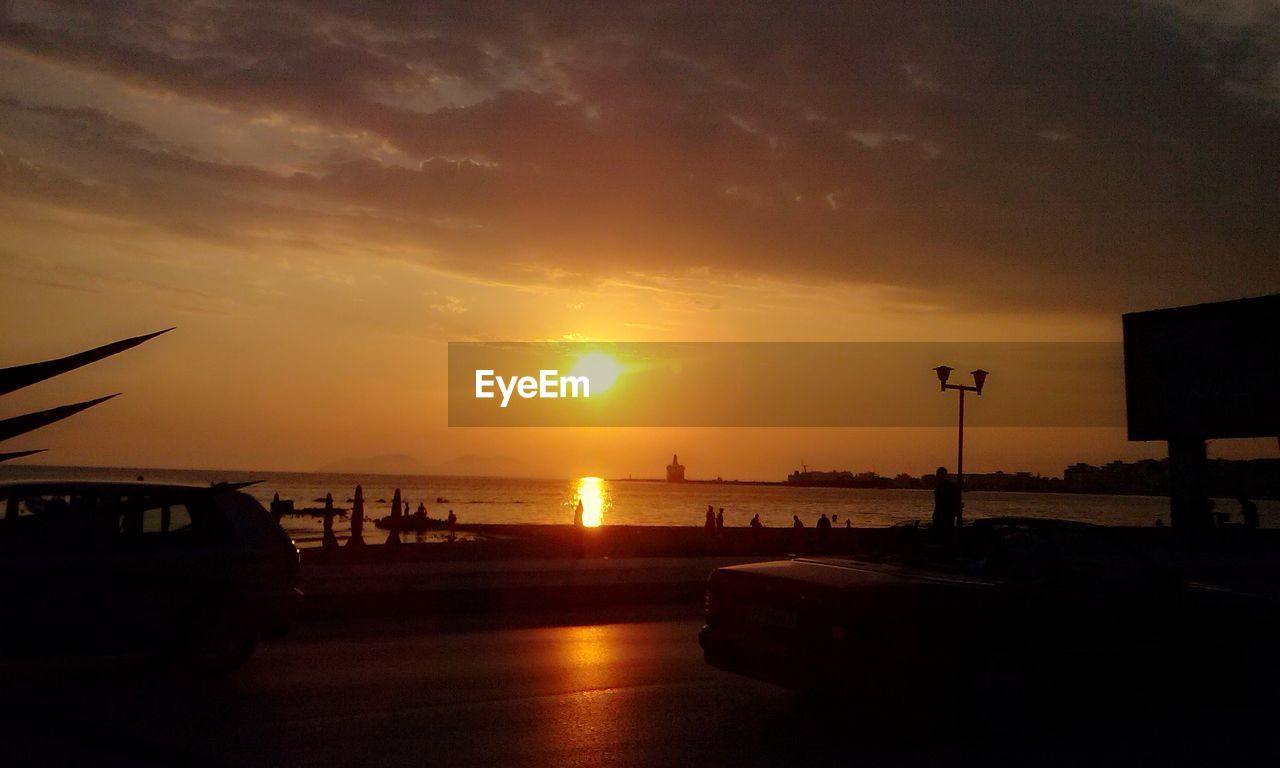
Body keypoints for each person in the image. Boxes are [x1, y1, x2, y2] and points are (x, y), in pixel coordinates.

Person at [932, 467, 960, 534]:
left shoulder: (947, 485)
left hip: (945, 514)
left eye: (938, 474)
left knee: (944, 530)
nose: (937, 476)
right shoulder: (940, 485)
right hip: (943, 513)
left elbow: (952, 499)